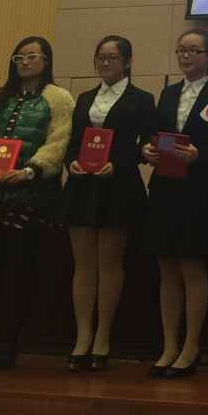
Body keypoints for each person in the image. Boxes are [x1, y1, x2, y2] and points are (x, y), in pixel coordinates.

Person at [0, 36, 74, 370]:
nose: (25, 62)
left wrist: (31, 170)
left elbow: (59, 141)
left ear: (46, 61)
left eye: (32, 56)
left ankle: (8, 344)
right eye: (19, 57)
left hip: (30, 196)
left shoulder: (59, 98)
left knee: (17, 273)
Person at [141, 28, 208, 378]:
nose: (185, 56)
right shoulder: (168, 93)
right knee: (166, 267)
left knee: (191, 265)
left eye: (193, 51)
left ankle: (191, 346)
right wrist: (148, 150)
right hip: (164, 187)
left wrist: (201, 154)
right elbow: (156, 136)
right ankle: (169, 345)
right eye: (181, 50)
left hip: (197, 189)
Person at [61, 35, 154, 372]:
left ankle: (103, 336)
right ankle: (82, 335)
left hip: (118, 187)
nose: (105, 62)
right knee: (83, 265)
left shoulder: (142, 99)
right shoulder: (85, 98)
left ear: (127, 62)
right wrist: (71, 161)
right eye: (101, 57)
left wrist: (119, 163)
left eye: (112, 57)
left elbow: (147, 144)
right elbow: (73, 141)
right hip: (82, 187)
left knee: (110, 264)